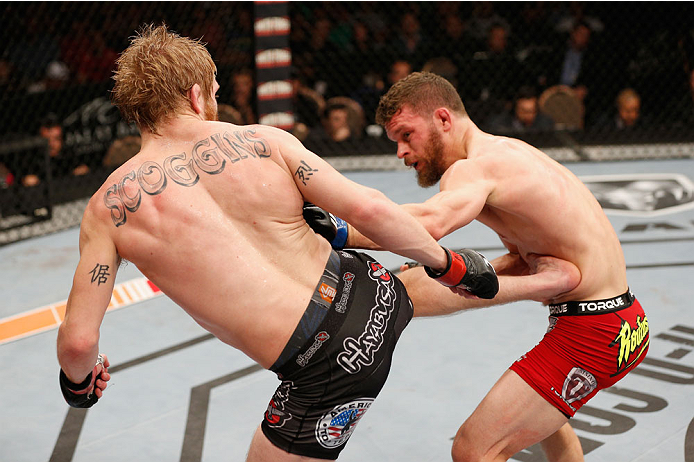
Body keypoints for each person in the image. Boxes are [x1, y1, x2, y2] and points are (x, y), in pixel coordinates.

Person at [55, 25, 499, 462]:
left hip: (326, 365)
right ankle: (550, 279)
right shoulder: (263, 140)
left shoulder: (108, 208)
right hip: (371, 285)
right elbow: (370, 210)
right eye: (213, 91)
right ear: (195, 96)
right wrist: (448, 264)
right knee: (412, 288)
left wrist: (78, 386)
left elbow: (78, 343)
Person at [344, 72, 650, 461]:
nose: (401, 152)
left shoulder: (472, 169)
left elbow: (425, 226)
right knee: (544, 412)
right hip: (621, 318)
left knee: (474, 450)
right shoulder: (509, 150)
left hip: (593, 333)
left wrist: (341, 229)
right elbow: (529, 261)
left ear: (442, 119)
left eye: (407, 135)